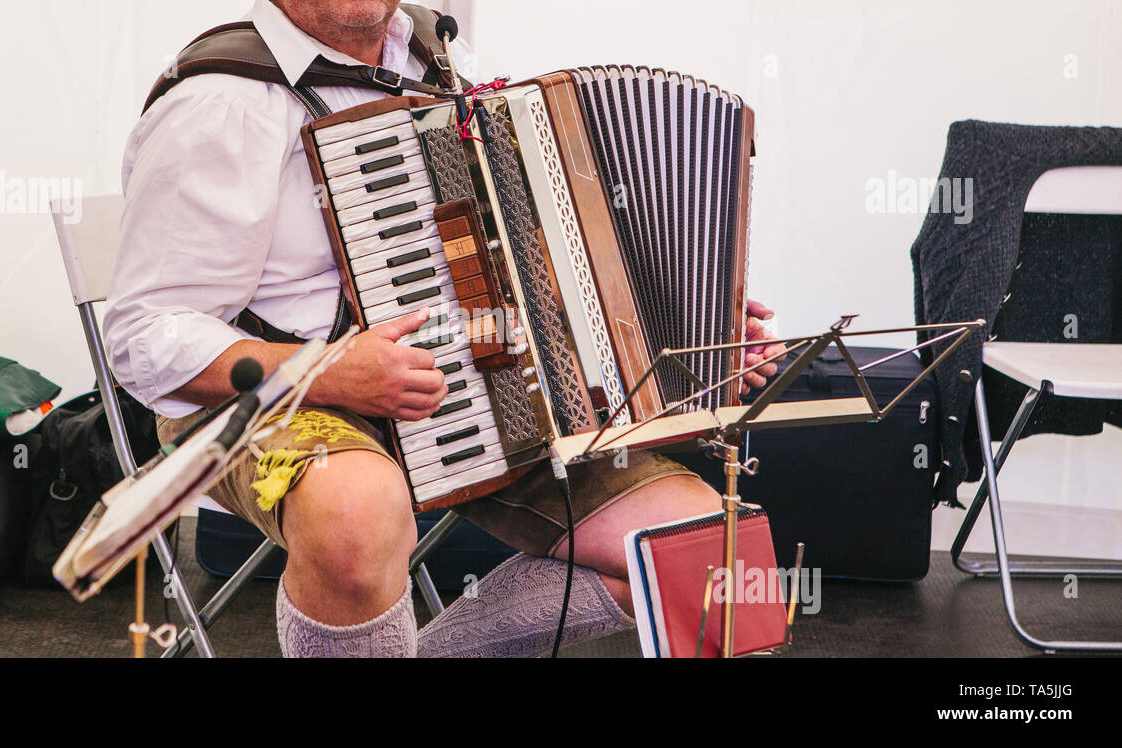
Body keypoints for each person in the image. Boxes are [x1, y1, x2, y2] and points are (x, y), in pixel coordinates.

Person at [104, 0, 785, 657]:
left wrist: (691, 324)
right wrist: (329, 370)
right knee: (358, 514)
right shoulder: (219, 102)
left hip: (467, 381)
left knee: (711, 552)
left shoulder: (436, 51)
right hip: (270, 392)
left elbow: (520, 237)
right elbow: (143, 334)